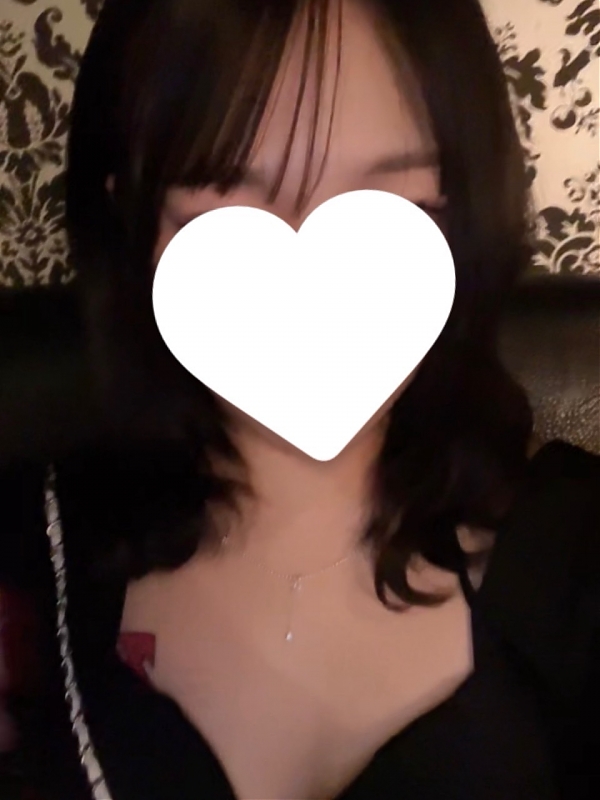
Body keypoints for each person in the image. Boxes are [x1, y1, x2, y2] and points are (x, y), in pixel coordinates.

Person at [0, 0, 598, 798]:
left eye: (391, 205)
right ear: (134, 222)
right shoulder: (29, 556)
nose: (312, 291)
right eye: (226, 207)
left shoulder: (576, 551)